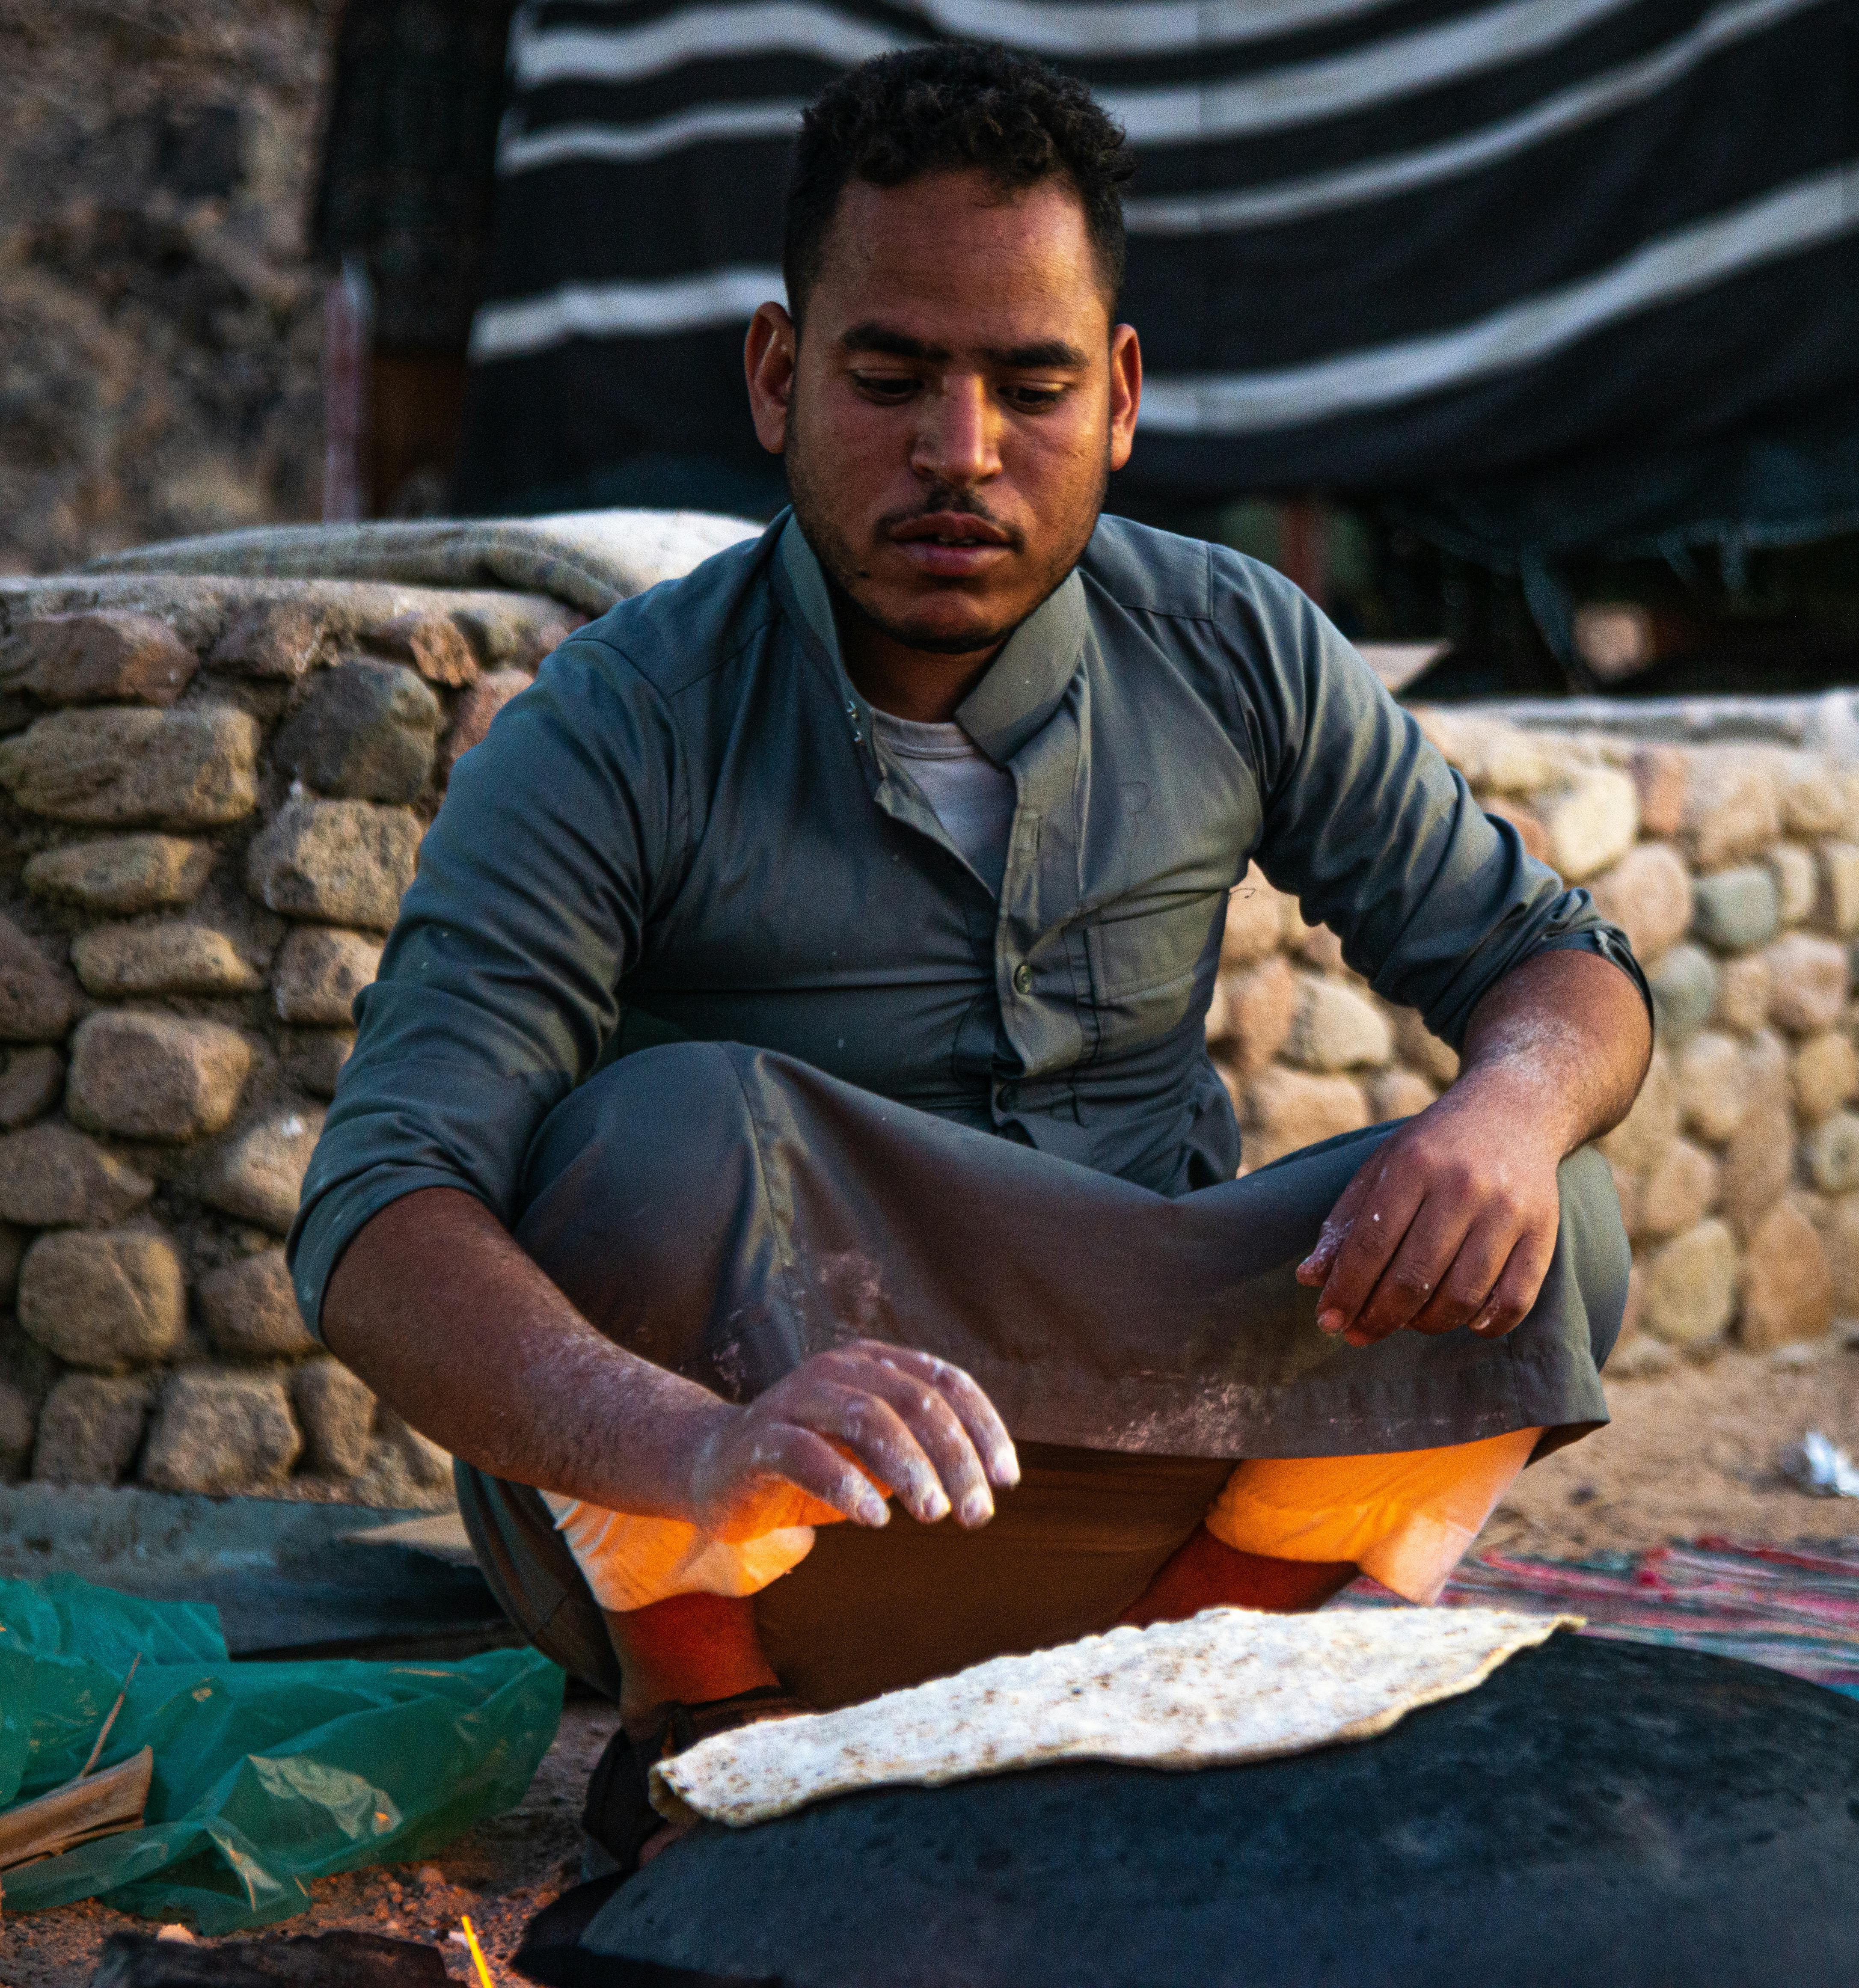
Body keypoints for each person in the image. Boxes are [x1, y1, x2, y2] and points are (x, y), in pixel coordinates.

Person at [291, 45, 1652, 1864]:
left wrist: (1512, 1108)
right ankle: (709, 1738)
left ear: (1121, 397)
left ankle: (1179, 1685)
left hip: (1146, 1484)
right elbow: (378, 1215)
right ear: (778, 376)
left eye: (1031, 385)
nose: (961, 450)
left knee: (1555, 1215)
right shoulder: (621, 721)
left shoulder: (1235, 646)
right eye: (890, 379)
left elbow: (1557, 966)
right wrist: (688, 1444)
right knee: (654, 1141)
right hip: (767, 1532)